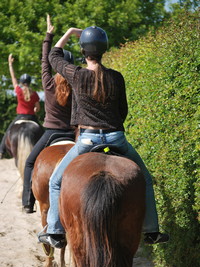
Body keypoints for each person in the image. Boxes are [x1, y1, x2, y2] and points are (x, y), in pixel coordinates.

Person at [38, 26, 169, 248]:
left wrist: (69, 32)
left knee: (55, 181)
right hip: (117, 138)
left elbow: (53, 56)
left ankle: (55, 232)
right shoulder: (117, 77)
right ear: (104, 49)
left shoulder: (77, 74)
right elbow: (123, 111)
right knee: (146, 180)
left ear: (82, 50)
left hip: (87, 141)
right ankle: (151, 231)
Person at [22, 15, 75, 214]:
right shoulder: (78, 82)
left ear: (56, 66)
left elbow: (44, 60)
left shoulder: (48, 82)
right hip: (74, 135)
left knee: (29, 162)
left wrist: (48, 35)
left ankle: (28, 202)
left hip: (51, 134)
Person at [0, 54, 40, 159]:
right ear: (30, 82)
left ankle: (1, 151)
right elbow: (38, 108)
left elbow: (13, 77)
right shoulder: (34, 93)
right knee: (43, 133)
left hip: (20, 117)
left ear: (22, 82)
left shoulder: (19, 91)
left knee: (8, 131)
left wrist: (10, 64)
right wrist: (35, 109)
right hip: (32, 117)